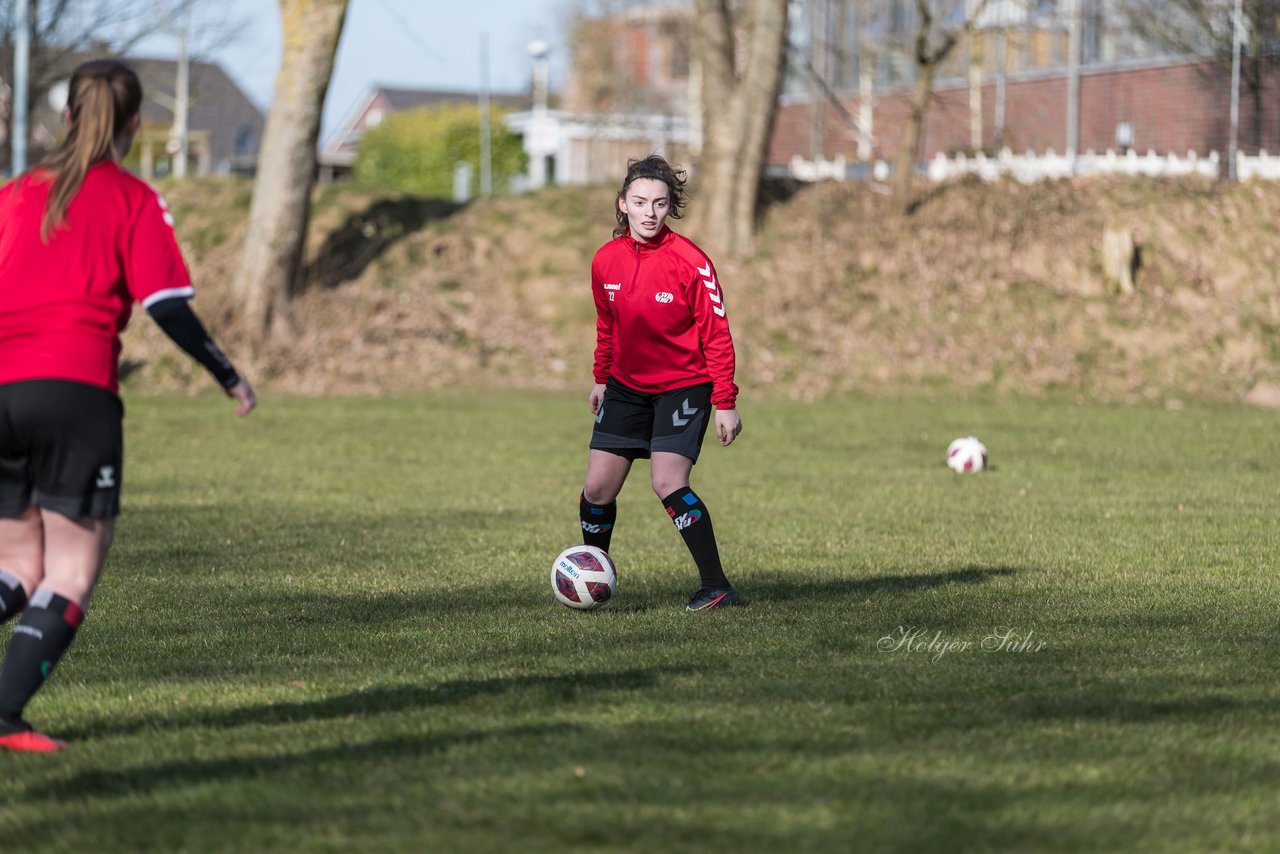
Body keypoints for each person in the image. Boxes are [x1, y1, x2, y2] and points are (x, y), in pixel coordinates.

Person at [0, 59, 255, 752]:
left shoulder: (15, 193)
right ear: (136, 124)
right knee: (70, 572)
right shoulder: (134, 198)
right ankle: (4, 717)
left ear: (68, 116)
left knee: (17, 570)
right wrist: (228, 376)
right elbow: (167, 306)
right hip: (73, 391)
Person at [578, 155, 743, 612]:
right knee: (596, 489)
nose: (650, 212)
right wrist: (600, 377)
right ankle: (594, 577)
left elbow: (716, 333)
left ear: (671, 207)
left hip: (683, 386)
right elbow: (607, 326)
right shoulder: (604, 261)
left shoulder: (691, 262)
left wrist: (725, 401)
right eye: (640, 202)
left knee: (667, 481)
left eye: (660, 203)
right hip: (626, 387)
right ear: (623, 205)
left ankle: (717, 586)